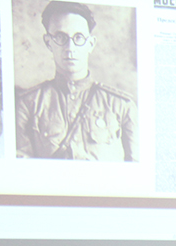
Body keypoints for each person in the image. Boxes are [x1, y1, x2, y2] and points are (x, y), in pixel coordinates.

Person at [16, 1, 137, 160]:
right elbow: (23, 168)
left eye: (78, 37)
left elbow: (136, 167)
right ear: (48, 42)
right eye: (60, 37)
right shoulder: (28, 104)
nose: (70, 47)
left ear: (91, 44)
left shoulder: (122, 106)